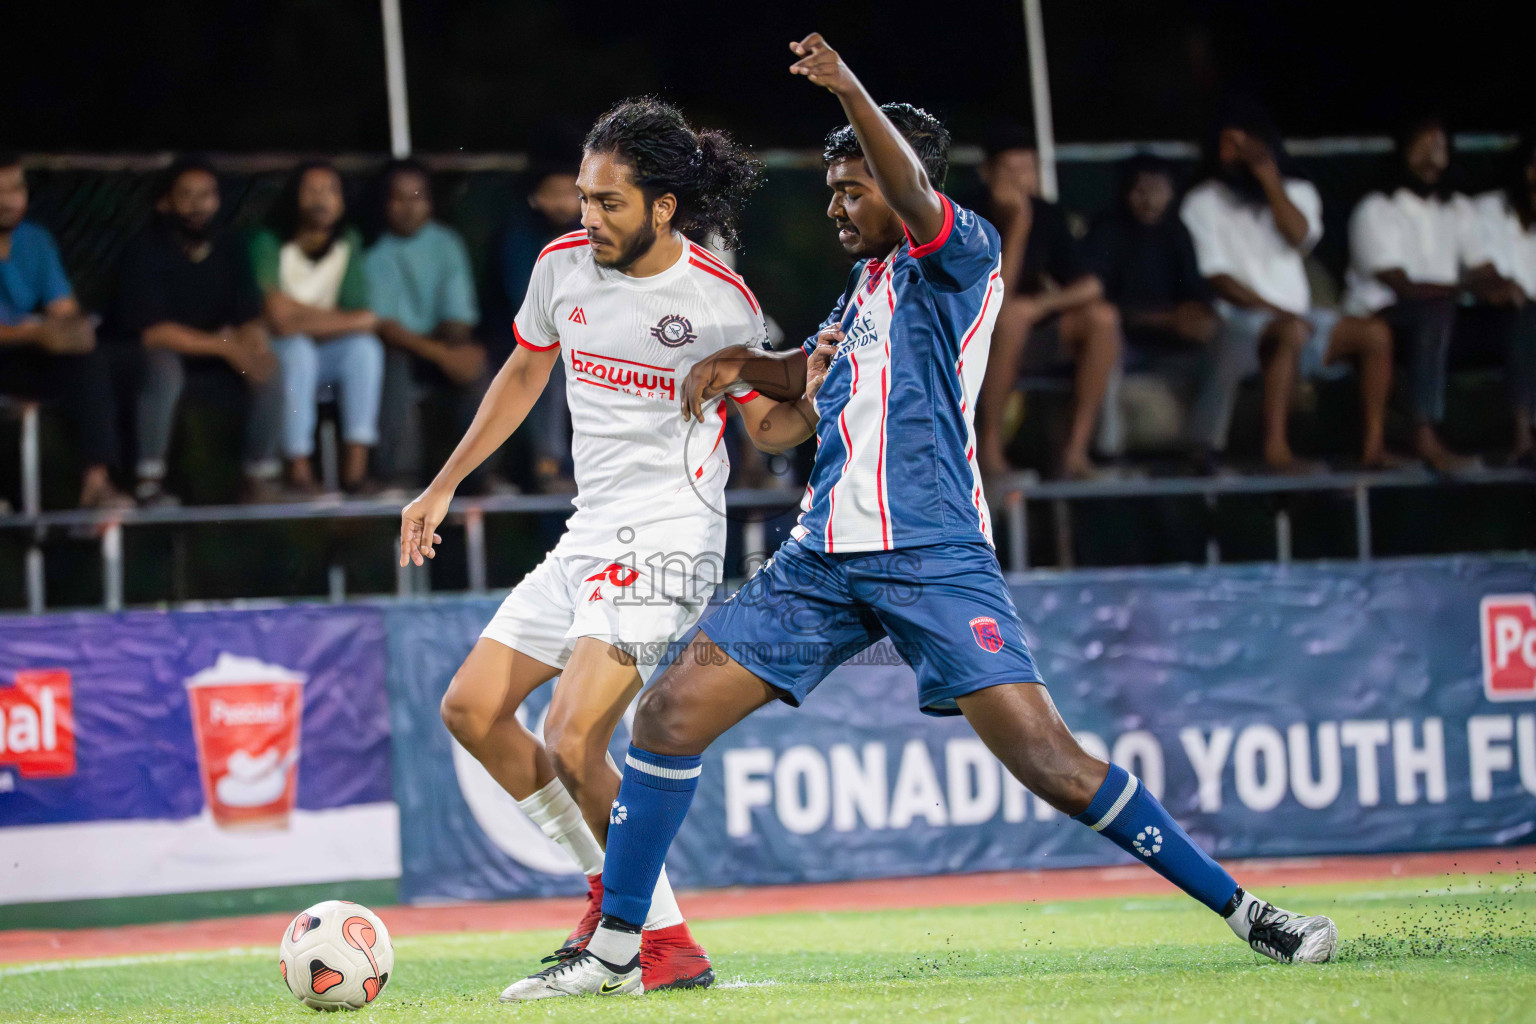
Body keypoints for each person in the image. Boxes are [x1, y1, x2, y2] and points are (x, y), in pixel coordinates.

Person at [506, 34, 1338, 1002]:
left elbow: (908, 196)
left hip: (932, 555)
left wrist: (850, 87)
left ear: (905, 192)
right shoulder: (862, 291)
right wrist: (736, 365)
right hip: (821, 564)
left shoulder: (961, 260)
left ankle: (1247, 911)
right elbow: (804, 380)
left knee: (1053, 764)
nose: (835, 205)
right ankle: (620, 946)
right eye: (828, 188)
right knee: (667, 713)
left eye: (851, 188)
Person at [399, 98, 784, 997]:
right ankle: (625, 910)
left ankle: (646, 940)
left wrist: (813, 382)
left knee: (574, 737)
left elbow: (767, 426)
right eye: (582, 197)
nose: (588, 217)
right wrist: (444, 481)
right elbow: (527, 368)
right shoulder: (562, 268)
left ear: (663, 207)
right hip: (591, 532)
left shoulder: (719, 300)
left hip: (671, 539)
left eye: (609, 202)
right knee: (472, 710)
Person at [1181, 101, 1395, 473]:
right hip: (1241, 323)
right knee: (1290, 331)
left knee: (1375, 334)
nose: (1238, 154)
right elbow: (1217, 278)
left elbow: (1300, 237)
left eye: (1246, 144)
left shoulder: (1297, 191)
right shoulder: (1202, 200)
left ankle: (1373, 449)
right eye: (1229, 144)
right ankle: (1275, 450)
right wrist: (1276, 312)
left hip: (1299, 317)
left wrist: (1267, 177)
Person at [113, 156, 284, 505]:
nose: (197, 205)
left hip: (216, 354)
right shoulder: (144, 249)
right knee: (164, 366)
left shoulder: (230, 247)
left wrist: (252, 340)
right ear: (165, 202)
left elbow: (248, 313)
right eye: (186, 196)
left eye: (206, 195)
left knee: (271, 365)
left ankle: (259, 477)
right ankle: (148, 481)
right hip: (150, 356)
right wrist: (226, 347)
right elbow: (153, 333)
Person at [973, 122, 1121, 480]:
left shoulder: (1047, 213)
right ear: (988, 173)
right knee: (1011, 318)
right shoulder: (966, 216)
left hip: (1031, 328)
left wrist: (1043, 305)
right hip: (976, 333)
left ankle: (1076, 451)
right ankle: (988, 448)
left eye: (1028, 170)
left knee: (1102, 319)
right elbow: (994, 297)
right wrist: (1018, 223)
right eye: (1011, 171)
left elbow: (1089, 285)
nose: (1021, 180)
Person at [1343, 113, 1476, 472]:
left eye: (1440, 146)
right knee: (1435, 309)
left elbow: (1481, 267)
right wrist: (1462, 288)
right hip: (1385, 317)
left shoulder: (1459, 209)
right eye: (1423, 145)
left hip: (1444, 315)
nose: (1432, 155)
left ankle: (1525, 435)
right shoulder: (1377, 208)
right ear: (1403, 151)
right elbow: (1400, 284)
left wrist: (1492, 287)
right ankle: (1423, 432)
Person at [0, 153, 131, 509]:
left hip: (25, 354)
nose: (8, 199)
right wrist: (35, 333)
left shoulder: (35, 240)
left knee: (90, 357)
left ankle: (96, 484)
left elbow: (64, 310)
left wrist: (74, 330)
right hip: (13, 345)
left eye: (15, 188)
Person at [251, 161, 384, 494]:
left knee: (365, 350)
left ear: (341, 201)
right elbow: (276, 318)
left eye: (330, 191)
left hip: (323, 347)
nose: (321, 199)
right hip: (275, 352)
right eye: (311, 190)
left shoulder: (348, 241)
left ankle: (356, 471)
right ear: (294, 197)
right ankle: (299, 469)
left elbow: (364, 317)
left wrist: (297, 315)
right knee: (299, 351)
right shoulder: (268, 241)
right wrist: (331, 319)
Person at [365, 158, 489, 487]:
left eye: (417, 196)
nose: (408, 207)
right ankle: (399, 477)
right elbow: (387, 329)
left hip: (437, 343)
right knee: (394, 366)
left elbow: (458, 317)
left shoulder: (447, 243)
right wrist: (443, 355)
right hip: (400, 349)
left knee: (483, 366)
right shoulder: (374, 253)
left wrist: (458, 351)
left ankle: (481, 476)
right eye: (398, 198)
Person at [1082, 153, 1220, 430]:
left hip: (1172, 341)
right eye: (1140, 190)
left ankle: (1206, 448)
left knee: (1225, 341)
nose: (1149, 200)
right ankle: (1108, 451)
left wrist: (1197, 317)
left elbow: (1196, 293)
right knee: (1104, 340)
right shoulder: (1108, 229)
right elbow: (1101, 300)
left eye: (1158, 191)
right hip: (1123, 335)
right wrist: (1165, 319)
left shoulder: (1177, 232)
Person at [486, 150, 585, 493]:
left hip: (583, 336)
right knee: (551, 359)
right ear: (535, 197)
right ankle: (548, 466)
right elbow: (523, 303)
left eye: (569, 194)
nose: (561, 203)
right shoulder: (519, 237)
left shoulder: (594, 234)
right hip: (521, 338)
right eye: (552, 193)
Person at [1460, 133, 1536, 466]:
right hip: (1478, 322)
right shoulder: (1486, 210)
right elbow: (1480, 275)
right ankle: (1522, 437)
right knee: (1521, 315)